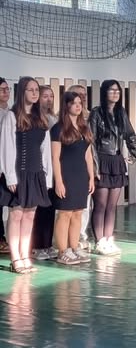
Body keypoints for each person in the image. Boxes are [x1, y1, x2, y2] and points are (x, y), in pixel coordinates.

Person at [0, 77, 52, 274]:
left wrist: (47, 177)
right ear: (22, 92)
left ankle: (25, 255)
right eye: (30, 90)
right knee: (16, 215)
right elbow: (6, 147)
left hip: (35, 173)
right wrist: (10, 176)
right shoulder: (12, 116)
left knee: (30, 215)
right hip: (18, 173)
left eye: (36, 89)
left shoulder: (41, 118)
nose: (34, 93)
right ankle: (16, 258)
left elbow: (45, 150)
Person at [89, 80, 136, 256]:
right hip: (101, 159)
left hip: (116, 160)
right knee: (100, 204)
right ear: (104, 92)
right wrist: (94, 166)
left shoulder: (121, 112)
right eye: (111, 90)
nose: (115, 93)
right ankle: (99, 241)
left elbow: (130, 134)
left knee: (112, 205)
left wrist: (134, 153)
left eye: (117, 91)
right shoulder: (96, 113)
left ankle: (109, 239)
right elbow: (91, 141)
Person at [51, 91, 95, 265]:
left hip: (81, 175)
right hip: (66, 175)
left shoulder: (85, 128)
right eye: (74, 103)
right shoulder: (58, 129)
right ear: (66, 105)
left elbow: (88, 155)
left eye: (80, 103)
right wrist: (59, 181)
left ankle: (74, 247)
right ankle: (63, 252)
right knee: (65, 214)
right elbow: (55, 157)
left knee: (78, 213)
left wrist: (91, 177)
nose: (78, 106)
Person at [30, 85, 59, 261]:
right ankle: (36, 246)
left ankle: (47, 244)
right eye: (45, 96)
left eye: (51, 96)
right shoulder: (34, 119)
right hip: (39, 170)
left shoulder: (55, 119)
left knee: (49, 209)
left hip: (54, 170)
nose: (49, 100)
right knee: (38, 210)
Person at [67, 84, 91, 250]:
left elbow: (89, 150)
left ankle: (79, 237)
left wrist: (93, 171)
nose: (81, 99)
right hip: (68, 170)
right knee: (66, 210)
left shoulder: (90, 118)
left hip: (84, 169)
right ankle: (65, 243)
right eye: (77, 95)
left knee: (84, 207)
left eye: (84, 95)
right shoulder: (61, 120)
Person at [0, 77, 11, 254]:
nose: (6, 92)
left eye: (7, 89)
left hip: (8, 166)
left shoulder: (11, 112)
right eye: (2, 89)